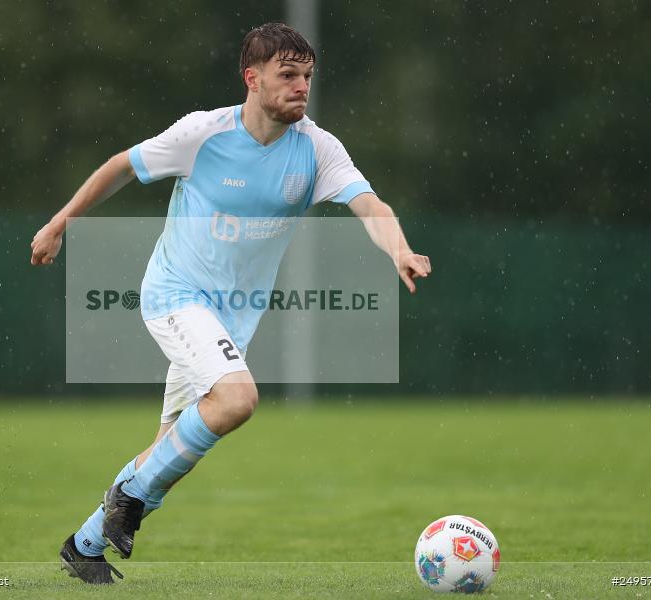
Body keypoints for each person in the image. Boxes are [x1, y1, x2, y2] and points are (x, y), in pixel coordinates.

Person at [30, 22, 432, 585]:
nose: (301, 87)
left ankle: (86, 544)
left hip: (231, 318)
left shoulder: (317, 148)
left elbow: (369, 204)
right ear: (253, 78)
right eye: (287, 75)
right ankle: (129, 494)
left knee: (167, 450)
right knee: (238, 398)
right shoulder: (203, 133)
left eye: (307, 77)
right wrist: (59, 223)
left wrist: (400, 250)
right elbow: (123, 165)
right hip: (175, 295)